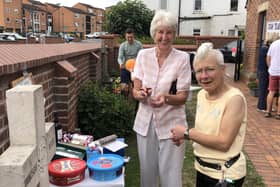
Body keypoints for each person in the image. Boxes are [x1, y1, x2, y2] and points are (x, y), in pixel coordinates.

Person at [171, 42, 247, 187]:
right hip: (202, 169)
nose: (204, 76)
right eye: (199, 71)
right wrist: (185, 137)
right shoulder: (201, 95)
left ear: (223, 69)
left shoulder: (234, 99)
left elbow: (224, 142)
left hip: (224, 175)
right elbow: (207, 131)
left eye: (210, 69)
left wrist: (188, 133)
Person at [132, 10, 192, 187]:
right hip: (145, 123)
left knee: (171, 176)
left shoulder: (182, 59)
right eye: (160, 32)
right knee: (147, 175)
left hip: (173, 123)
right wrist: (141, 94)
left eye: (169, 32)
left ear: (174, 34)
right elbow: (135, 91)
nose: (164, 37)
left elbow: (183, 96)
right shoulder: (143, 56)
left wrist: (165, 98)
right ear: (154, 33)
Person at [118, 28, 142, 96]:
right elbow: (120, 57)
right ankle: (124, 100)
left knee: (136, 86)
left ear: (134, 36)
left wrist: (135, 62)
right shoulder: (123, 45)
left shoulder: (138, 44)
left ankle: (136, 100)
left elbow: (141, 57)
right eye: (128, 37)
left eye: (131, 37)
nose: (129, 39)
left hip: (135, 68)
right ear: (125, 36)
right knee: (124, 86)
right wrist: (121, 63)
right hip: (125, 67)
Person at [265, 37, 280, 119]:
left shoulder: (273, 44)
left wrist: (270, 67)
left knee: (271, 92)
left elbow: (268, 58)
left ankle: (268, 112)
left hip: (273, 72)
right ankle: (278, 113)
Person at [257, 40, 271, 112]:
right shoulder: (266, 49)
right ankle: (262, 107)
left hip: (261, 71)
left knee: (264, 89)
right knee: (264, 89)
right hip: (264, 71)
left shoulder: (262, 48)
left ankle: (264, 106)